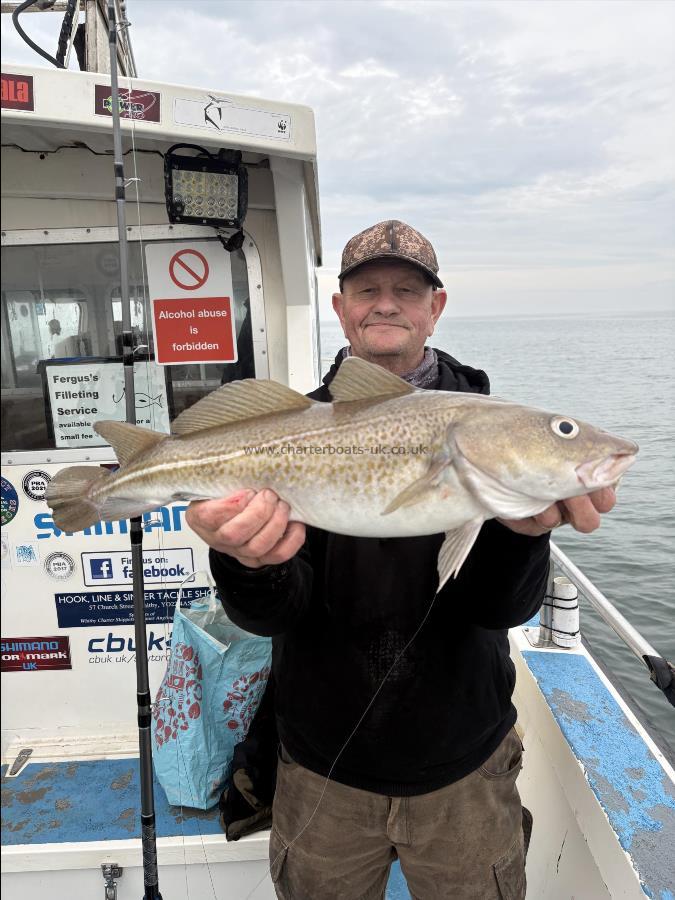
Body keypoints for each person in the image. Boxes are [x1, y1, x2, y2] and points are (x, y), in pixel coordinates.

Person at [187, 221, 616, 899]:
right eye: (367, 290)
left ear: (433, 308)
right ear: (341, 308)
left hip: (462, 768)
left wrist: (521, 534)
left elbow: (500, 609)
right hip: (320, 767)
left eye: (406, 290)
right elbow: (272, 616)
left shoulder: (483, 427)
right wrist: (244, 559)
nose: (385, 303)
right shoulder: (295, 424)